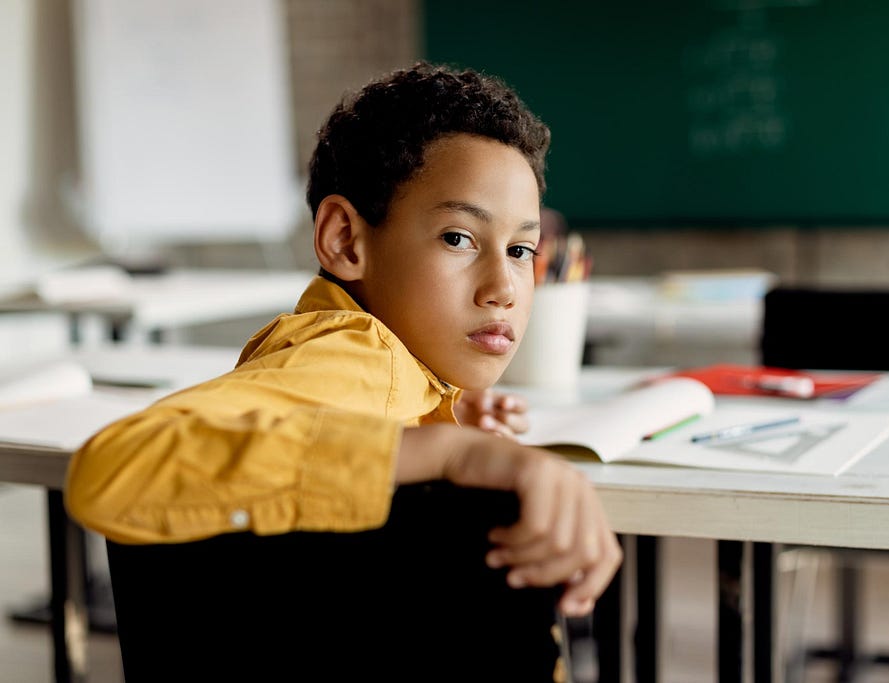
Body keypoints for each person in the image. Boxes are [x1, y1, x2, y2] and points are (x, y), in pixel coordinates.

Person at [64, 61, 621, 679]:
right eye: (459, 238)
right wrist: (449, 454)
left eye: (520, 250)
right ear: (345, 240)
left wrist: (442, 414)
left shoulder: (389, 366)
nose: (504, 288)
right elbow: (118, 464)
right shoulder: (353, 352)